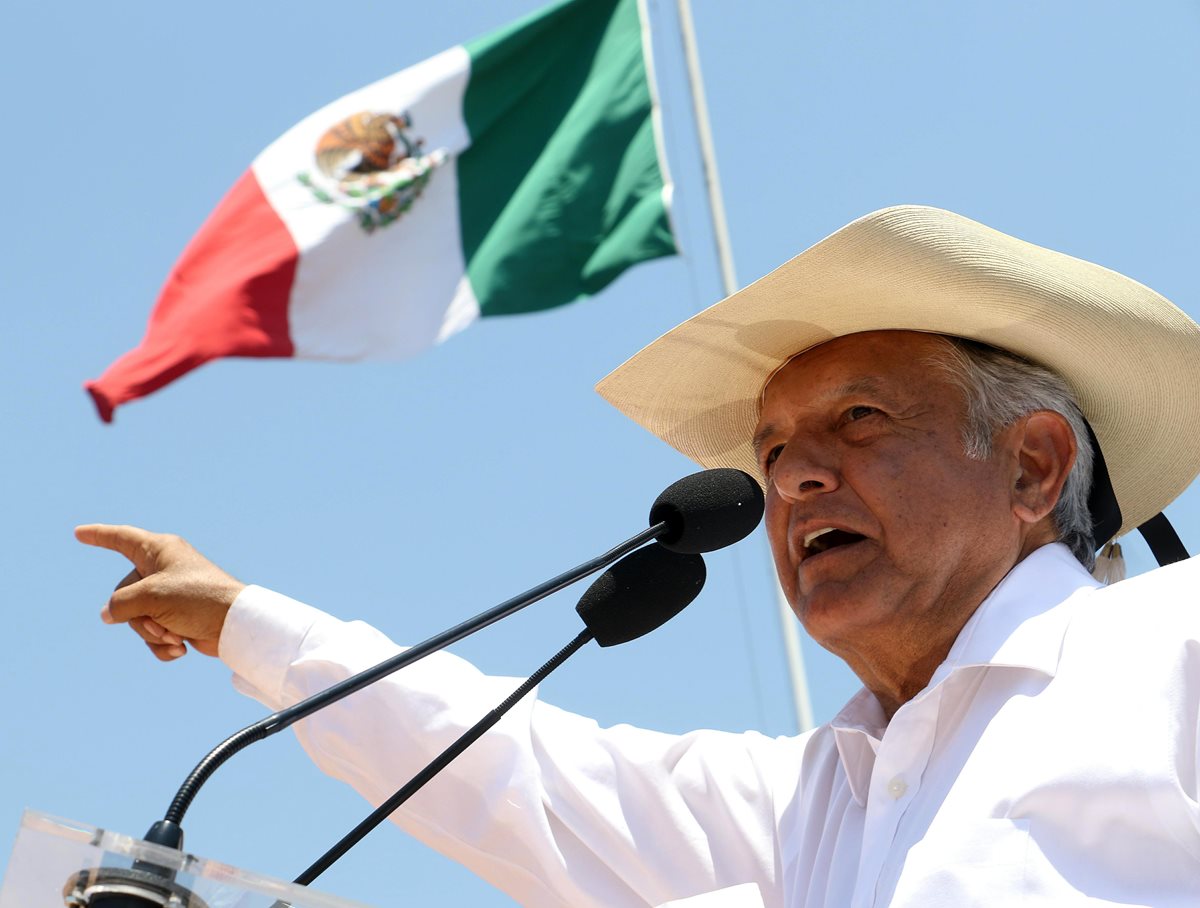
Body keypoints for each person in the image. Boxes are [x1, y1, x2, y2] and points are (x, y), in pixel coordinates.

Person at [78, 206, 1200, 906]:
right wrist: (246, 622)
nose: (795, 475)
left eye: (859, 420)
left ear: (1034, 468)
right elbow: (516, 775)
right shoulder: (812, 797)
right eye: (772, 449)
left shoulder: (1170, 644)